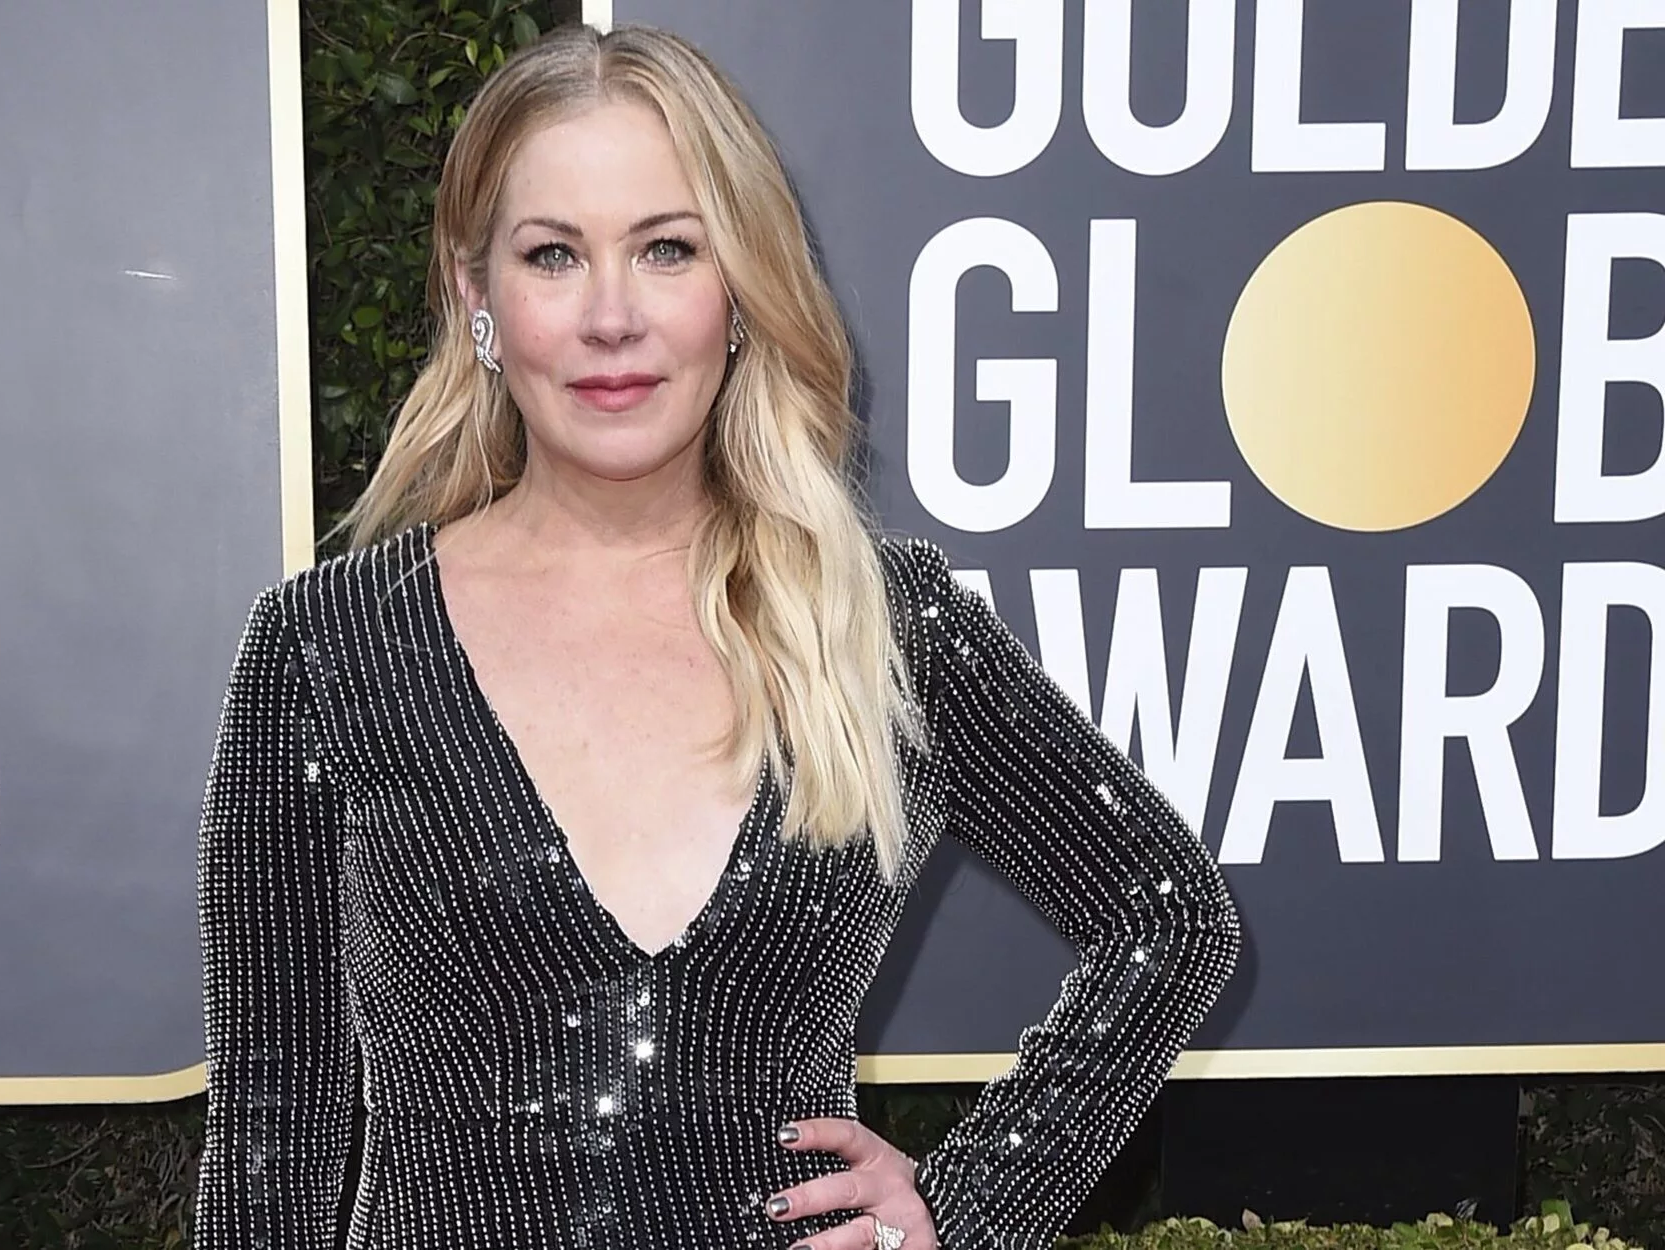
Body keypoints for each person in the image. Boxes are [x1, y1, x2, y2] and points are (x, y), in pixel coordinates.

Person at [194, 22, 1240, 1250]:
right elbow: (272, 1125)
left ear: (737, 287)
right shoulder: (328, 647)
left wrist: (965, 1212)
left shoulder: (883, 628)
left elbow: (1168, 916)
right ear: (478, 297)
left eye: (667, 248)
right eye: (551, 255)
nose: (611, 316)